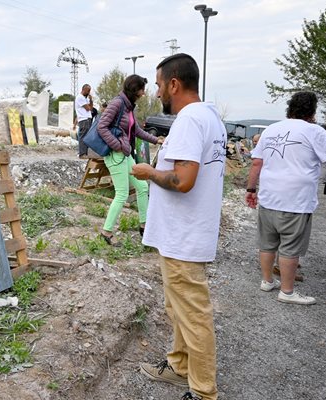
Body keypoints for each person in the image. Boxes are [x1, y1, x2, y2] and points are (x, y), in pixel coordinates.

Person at [132, 53, 226, 400]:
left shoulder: (189, 120)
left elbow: (183, 179)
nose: (157, 93)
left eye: (158, 85)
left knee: (193, 314)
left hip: (183, 237)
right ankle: (179, 366)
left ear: (174, 83)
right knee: (180, 309)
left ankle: (203, 391)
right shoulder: (210, 116)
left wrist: (148, 172)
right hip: (185, 234)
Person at [245, 91, 326, 305]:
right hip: (296, 199)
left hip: (268, 196)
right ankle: (287, 291)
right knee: (290, 247)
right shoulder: (315, 132)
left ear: (290, 108)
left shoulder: (272, 129)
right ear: (312, 110)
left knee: (267, 243)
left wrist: (251, 189)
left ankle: (267, 281)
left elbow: (257, 162)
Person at [98, 75, 162, 245]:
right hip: (115, 154)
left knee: (142, 186)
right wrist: (117, 145)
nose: (143, 93)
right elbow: (101, 127)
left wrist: (156, 140)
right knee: (122, 193)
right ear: (134, 89)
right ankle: (106, 231)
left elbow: (137, 131)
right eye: (142, 89)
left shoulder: (128, 107)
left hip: (125, 155)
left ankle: (144, 225)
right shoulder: (118, 103)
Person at [75, 84, 94, 158]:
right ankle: (82, 154)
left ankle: (85, 153)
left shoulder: (85, 98)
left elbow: (91, 108)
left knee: (86, 137)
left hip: (87, 118)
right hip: (83, 119)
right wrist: (89, 105)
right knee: (83, 136)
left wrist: (91, 100)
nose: (89, 92)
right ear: (83, 89)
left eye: (89, 90)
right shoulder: (80, 98)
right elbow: (88, 108)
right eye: (88, 90)